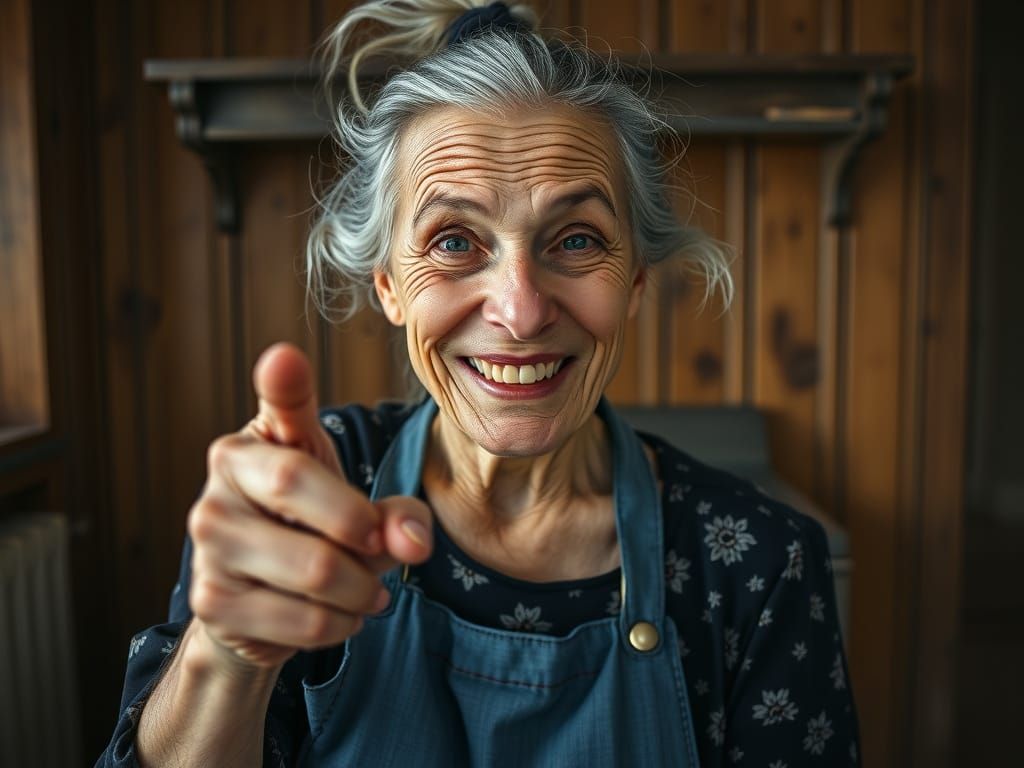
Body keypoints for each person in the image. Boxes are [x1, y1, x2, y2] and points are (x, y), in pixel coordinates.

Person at [98, 1, 859, 765]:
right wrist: (227, 656)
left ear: (633, 281)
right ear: (391, 283)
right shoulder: (311, 489)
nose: (521, 311)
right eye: (455, 240)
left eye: (577, 238)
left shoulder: (760, 562)